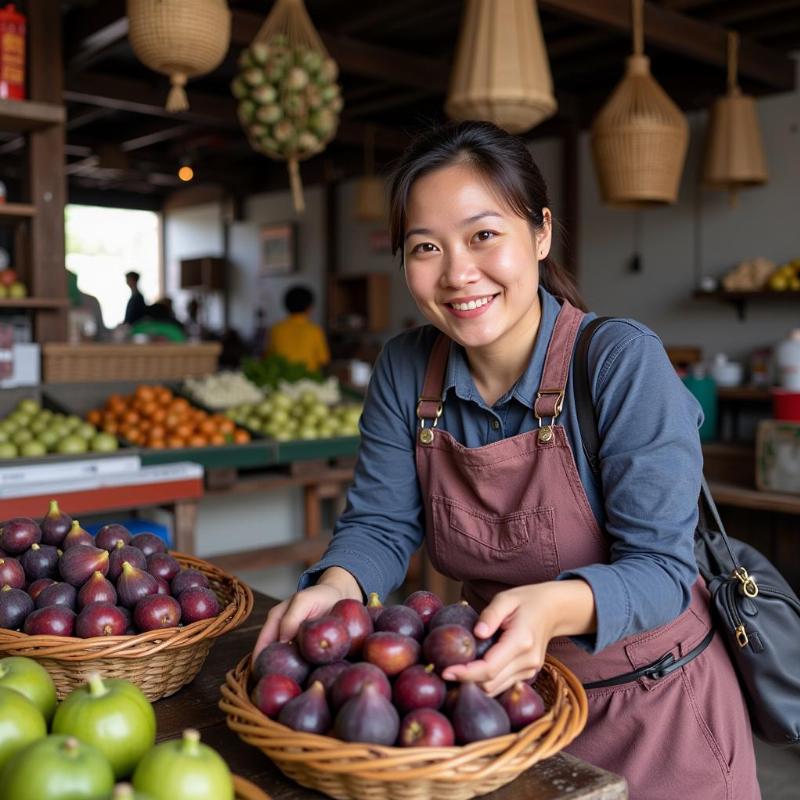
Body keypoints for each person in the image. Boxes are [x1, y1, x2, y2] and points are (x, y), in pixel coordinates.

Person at [252, 121, 758, 800]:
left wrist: (551, 610)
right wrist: (337, 587)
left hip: (655, 714)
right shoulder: (406, 368)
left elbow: (664, 569)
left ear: (540, 234)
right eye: (426, 246)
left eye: (484, 235)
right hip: (494, 712)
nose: (459, 273)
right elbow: (379, 524)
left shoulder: (618, 361)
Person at [266, 285, 330, 372]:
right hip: (308, 380)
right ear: (309, 308)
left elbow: (269, 357)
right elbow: (324, 359)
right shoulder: (314, 330)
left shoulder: (276, 329)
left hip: (282, 380)